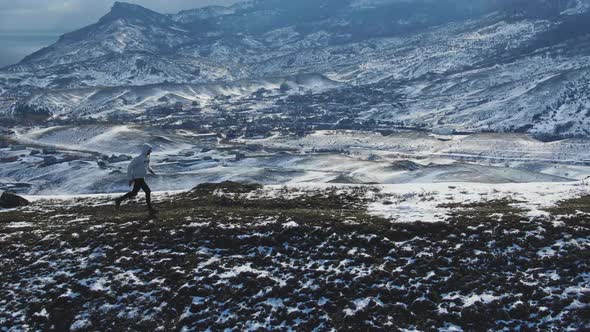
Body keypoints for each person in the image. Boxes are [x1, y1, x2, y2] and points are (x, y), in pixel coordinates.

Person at [115, 143, 158, 215]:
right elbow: (130, 167)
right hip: (137, 178)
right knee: (148, 191)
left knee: (134, 193)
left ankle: (119, 200)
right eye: (149, 150)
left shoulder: (147, 158)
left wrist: (151, 170)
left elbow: (146, 166)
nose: (151, 151)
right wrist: (130, 178)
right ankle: (150, 210)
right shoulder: (138, 158)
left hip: (141, 178)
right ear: (145, 150)